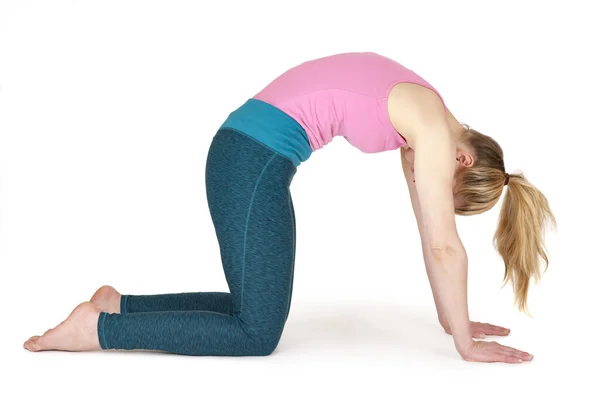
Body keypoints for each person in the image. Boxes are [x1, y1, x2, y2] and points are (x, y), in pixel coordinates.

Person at [23, 52, 555, 363]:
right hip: (250, 162)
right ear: (464, 158)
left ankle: (120, 305)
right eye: (453, 192)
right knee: (257, 332)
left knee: (251, 304)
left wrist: (451, 320)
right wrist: (466, 346)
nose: (435, 188)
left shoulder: (424, 113)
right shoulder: (435, 131)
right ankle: (98, 331)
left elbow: (428, 231)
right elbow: (445, 244)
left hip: (247, 155)